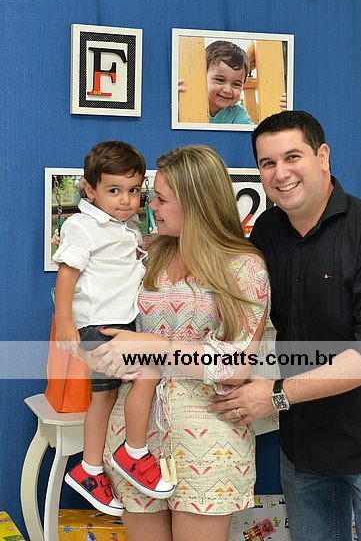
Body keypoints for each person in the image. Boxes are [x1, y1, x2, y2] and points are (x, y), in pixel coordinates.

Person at [209, 111, 361, 541]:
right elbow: (239, 302)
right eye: (268, 163)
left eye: (293, 157)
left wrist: (276, 395)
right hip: (304, 447)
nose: (281, 173)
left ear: (322, 156)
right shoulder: (267, 231)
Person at [88, 145, 269, 541]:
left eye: (161, 198)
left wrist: (152, 345)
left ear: (195, 202)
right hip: (133, 439)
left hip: (208, 439)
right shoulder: (144, 253)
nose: (150, 206)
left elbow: (235, 365)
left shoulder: (244, 266)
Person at [52, 141, 174, 517]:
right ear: (90, 190)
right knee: (148, 374)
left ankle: (89, 469)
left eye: (134, 190)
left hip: (119, 324)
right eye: (114, 190)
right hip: (99, 327)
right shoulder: (82, 226)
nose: (126, 200)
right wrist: (65, 322)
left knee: (103, 398)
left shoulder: (126, 228)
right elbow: (67, 274)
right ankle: (133, 453)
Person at [179, 40, 252, 124]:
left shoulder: (237, 113)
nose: (228, 90)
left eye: (236, 84)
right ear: (202, 78)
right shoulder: (189, 102)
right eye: (220, 80)